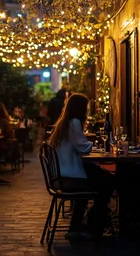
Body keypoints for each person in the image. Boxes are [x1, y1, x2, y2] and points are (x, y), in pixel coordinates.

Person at [49, 93, 114, 239]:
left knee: (104, 179)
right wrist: (96, 144)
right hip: (68, 177)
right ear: (80, 108)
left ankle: (82, 225)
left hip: (61, 175)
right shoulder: (74, 123)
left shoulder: (65, 122)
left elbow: (80, 146)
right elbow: (82, 147)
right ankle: (92, 223)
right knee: (107, 182)